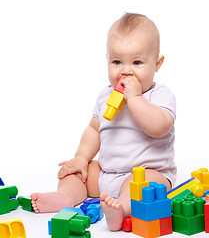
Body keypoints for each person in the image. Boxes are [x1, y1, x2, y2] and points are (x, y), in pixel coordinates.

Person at [31, 13, 177, 231]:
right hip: (107, 173)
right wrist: (81, 158)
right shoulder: (105, 96)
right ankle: (65, 197)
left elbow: (160, 127)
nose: (125, 70)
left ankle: (122, 209)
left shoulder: (159, 96)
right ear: (107, 59)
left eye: (137, 62)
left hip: (147, 172)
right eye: (117, 61)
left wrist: (135, 99)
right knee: (78, 172)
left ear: (157, 64)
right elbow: (94, 129)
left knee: (146, 184)